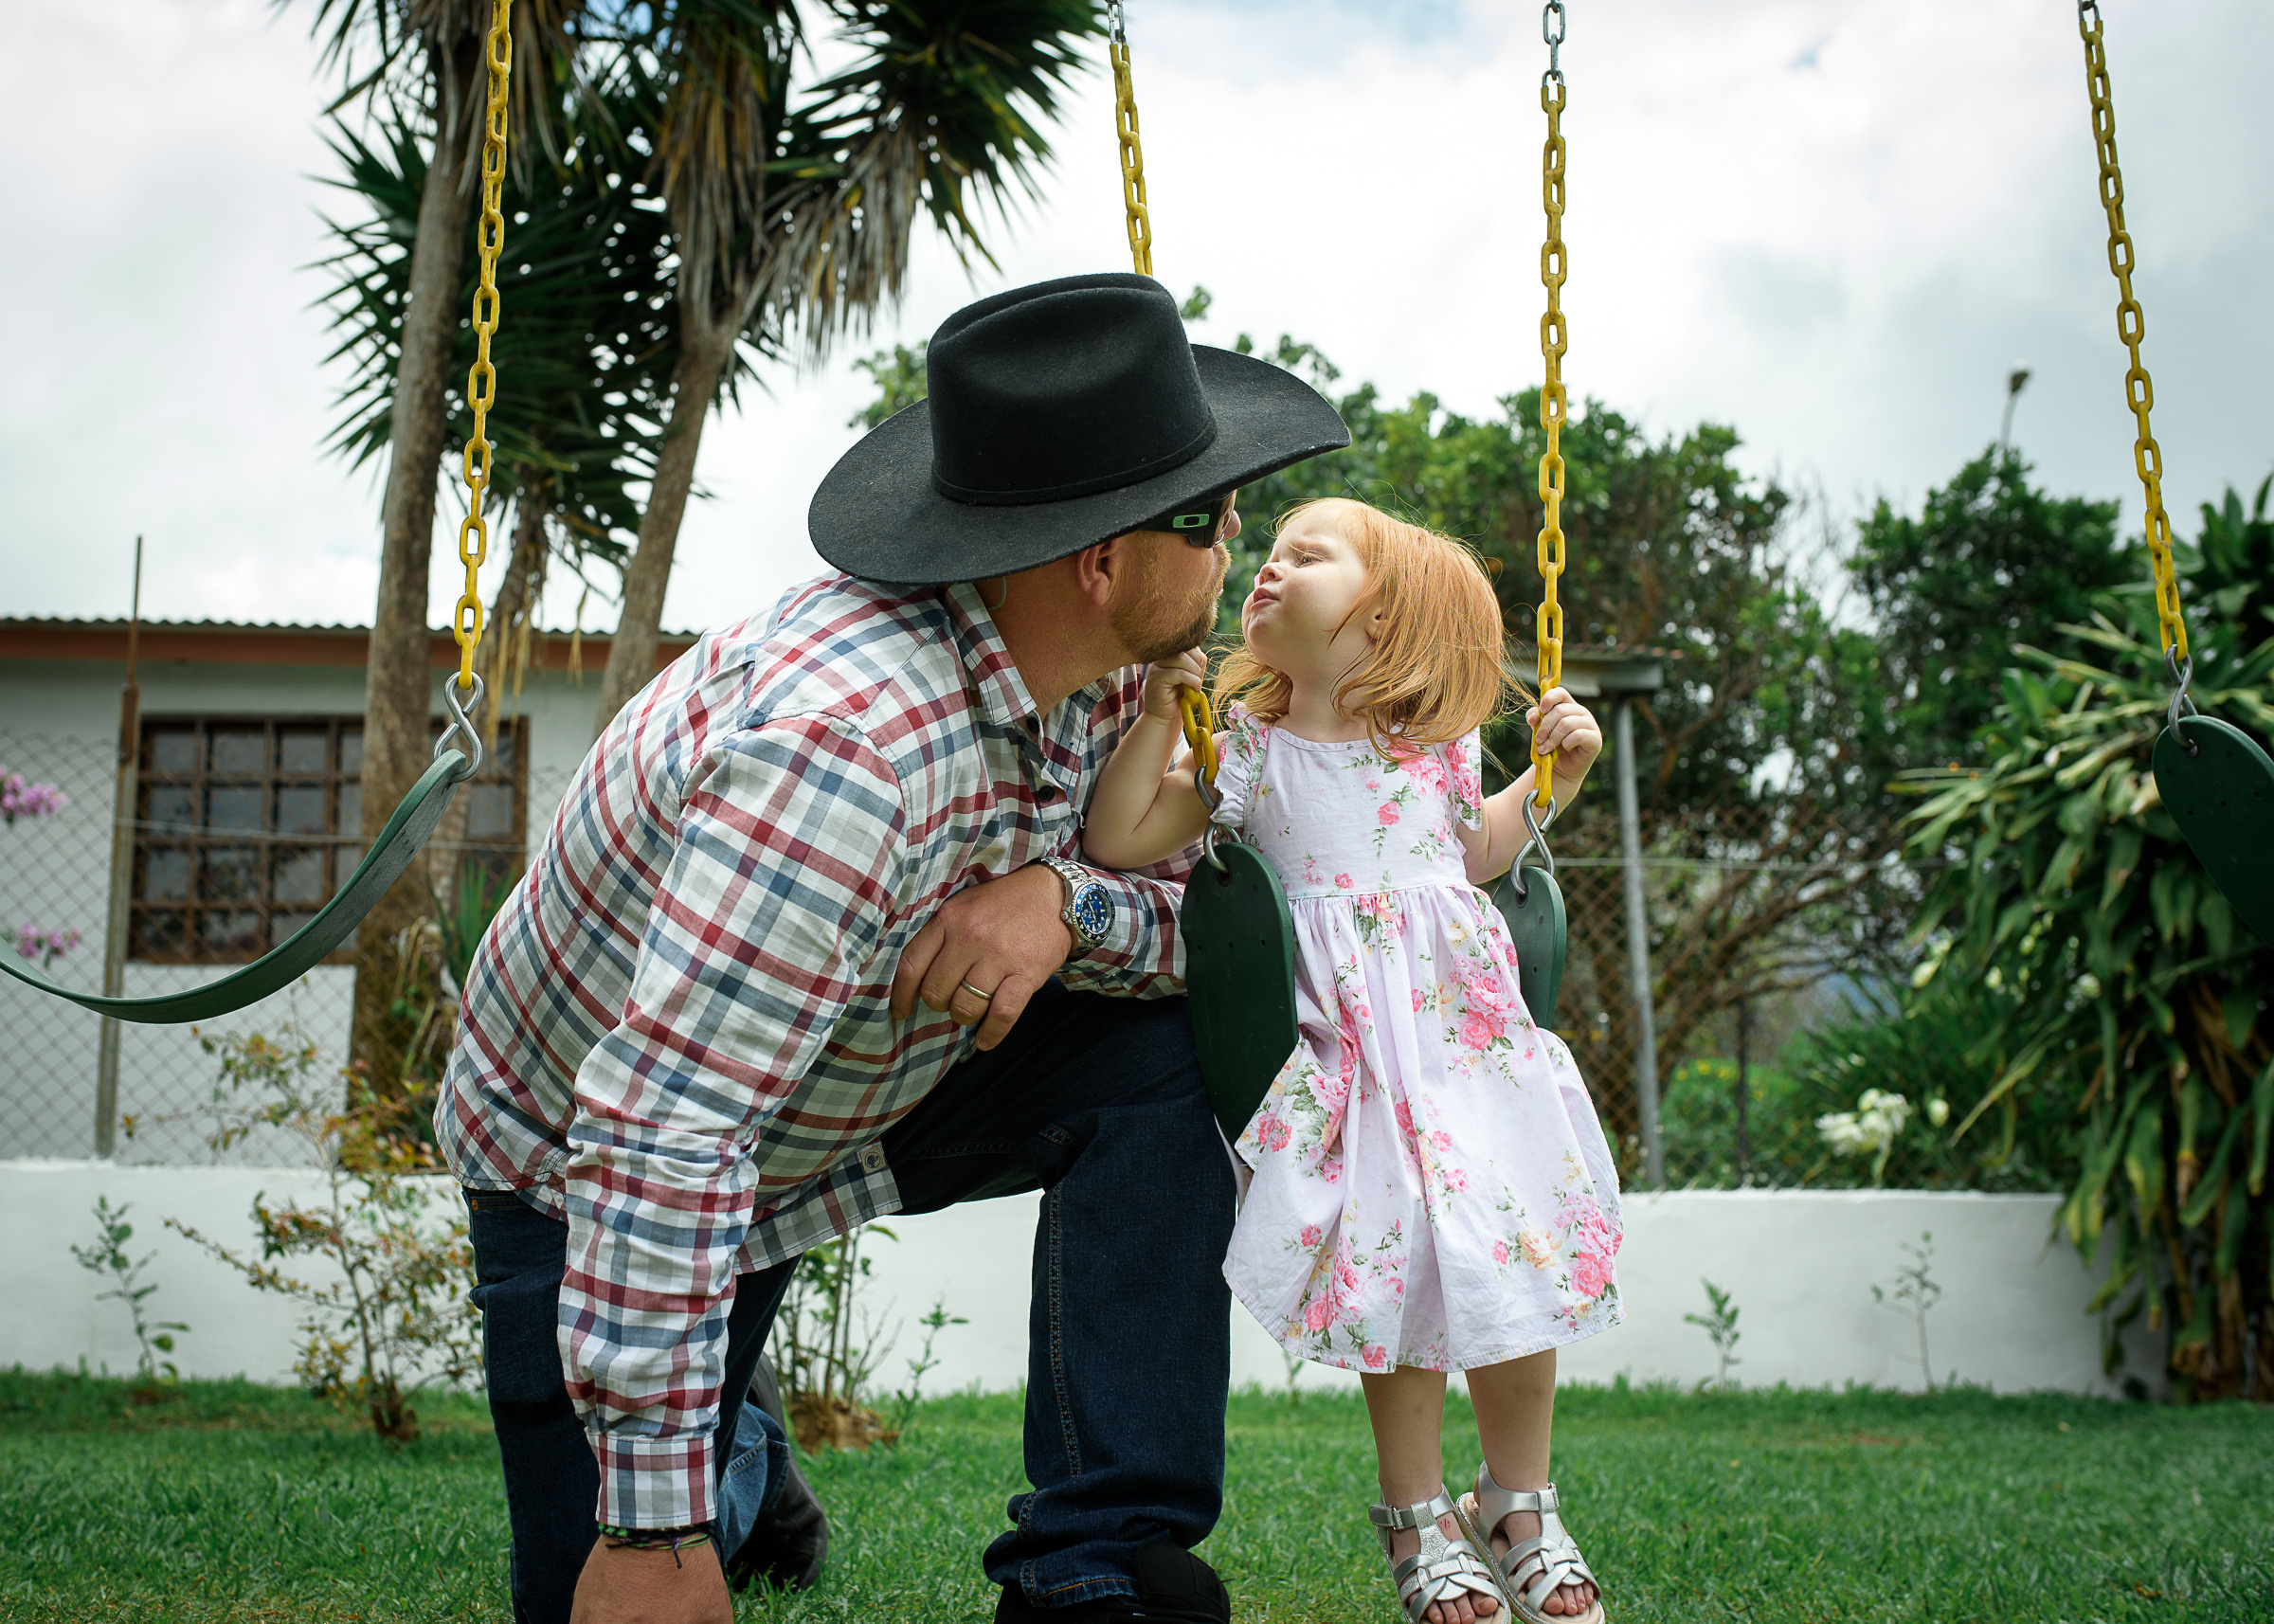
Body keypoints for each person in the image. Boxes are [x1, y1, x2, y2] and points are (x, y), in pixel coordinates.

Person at [437, 271, 1349, 1624]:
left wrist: (1062, 898)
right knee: (643, 1558)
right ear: (1101, 558)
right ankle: (732, 1468)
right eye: (1211, 518)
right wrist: (648, 1534)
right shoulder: (845, 749)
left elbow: (1210, 933)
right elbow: (662, 1133)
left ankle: (1091, 1566)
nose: (1240, 541)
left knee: (1160, 1054)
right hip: (593, 1167)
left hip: (865, 1069)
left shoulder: (1114, 676)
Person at [1082, 497, 1621, 1624]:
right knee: (1401, 1258)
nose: (1267, 570)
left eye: (1306, 556)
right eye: (1267, 554)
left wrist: (1552, 778)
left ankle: (1519, 1493)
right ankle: (1416, 1507)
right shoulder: (1247, 756)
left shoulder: (1433, 752)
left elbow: (1477, 851)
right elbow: (1119, 838)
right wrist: (1152, 718)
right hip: (1354, 1063)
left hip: (1464, 1048)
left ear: (1389, 617)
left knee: (1515, 1250)